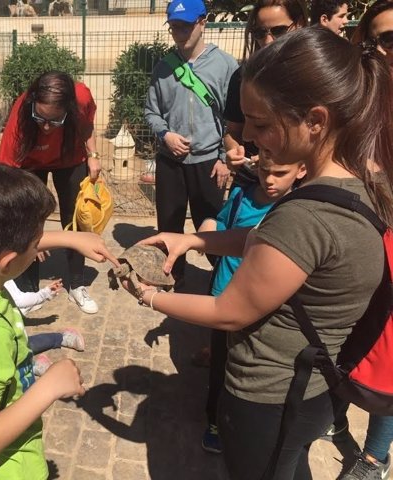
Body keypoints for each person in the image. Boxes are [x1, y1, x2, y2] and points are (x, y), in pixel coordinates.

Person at [123, 27, 393, 480]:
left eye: (262, 123)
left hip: (272, 395)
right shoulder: (358, 178)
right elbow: (268, 247)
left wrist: (146, 295)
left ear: (316, 120)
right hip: (313, 385)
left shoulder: (308, 214)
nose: (247, 134)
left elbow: (229, 311)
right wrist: (194, 240)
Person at [0, 162, 118, 480]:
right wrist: (49, 388)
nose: (39, 247)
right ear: (7, 261)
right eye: (36, 243)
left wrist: (69, 240)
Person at [197, 155, 306, 454]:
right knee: (221, 364)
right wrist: (206, 229)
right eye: (264, 171)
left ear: (302, 169)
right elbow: (221, 223)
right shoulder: (240, 195)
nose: (270, 180)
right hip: (225, 289)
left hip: (266, 302)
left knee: (249, 365)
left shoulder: (298, 210)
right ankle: (215, 421)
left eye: (281, 172)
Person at [144, 0, 238, 291]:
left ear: (203, 22)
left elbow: (233, 119)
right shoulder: (163, 67)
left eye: (185, 25)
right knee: (169, 223)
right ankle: (173, 274)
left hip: (209, 162)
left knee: (209, 226)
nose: (179, 32)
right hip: (170, 162)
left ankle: (223, 279)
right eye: (174, 26)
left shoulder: (226, 65)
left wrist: (224, 157)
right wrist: (166, 135)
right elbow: (150, 111)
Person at [336, 3, 393, 478]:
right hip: (365, 232)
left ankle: (374, 456)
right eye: (376, 41)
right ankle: (334, 419)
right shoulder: (363, 98)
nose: (383, 51)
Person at [0, 71, 102, 315]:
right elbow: (5, 176)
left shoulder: (81, 97)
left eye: (54, 121)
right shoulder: (22, 112)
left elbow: (87, 126)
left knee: (75, 220)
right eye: (40, 117)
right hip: (31, 163)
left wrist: (93, 155)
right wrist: (31, 232)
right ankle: (29, 289)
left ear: (68, 110)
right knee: (27, 219)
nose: (45, 126)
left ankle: (77, 284)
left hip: (70, 158)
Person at [223, 0, 308, 184]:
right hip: (253, 184)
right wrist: (234, 151)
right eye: (260, 33)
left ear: (299, 24)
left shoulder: (315, 74)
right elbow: (233, 132)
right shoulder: (243, 77)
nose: (268, 41)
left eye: (279, 31)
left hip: (302, 187)